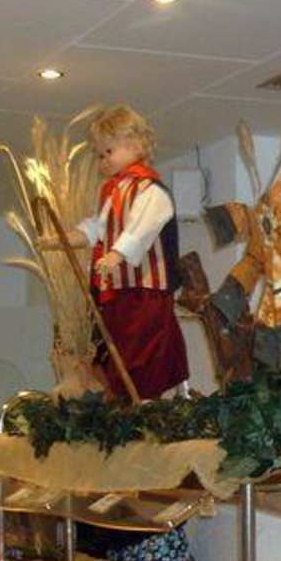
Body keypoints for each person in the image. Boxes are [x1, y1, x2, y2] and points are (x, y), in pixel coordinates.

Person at [44, 105, 189, 400]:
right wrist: (62, 240)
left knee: (143, 348)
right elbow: (97, 228)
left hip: (146, 288)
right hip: (120, 290)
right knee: (120, 350)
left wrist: (116, 255)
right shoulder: (114, 192)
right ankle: (128, 400)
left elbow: (141, 228)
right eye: (100, 155)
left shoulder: (151, 190)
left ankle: (144, 398)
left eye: (108, 152)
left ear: (134, 145)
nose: (102, 161)